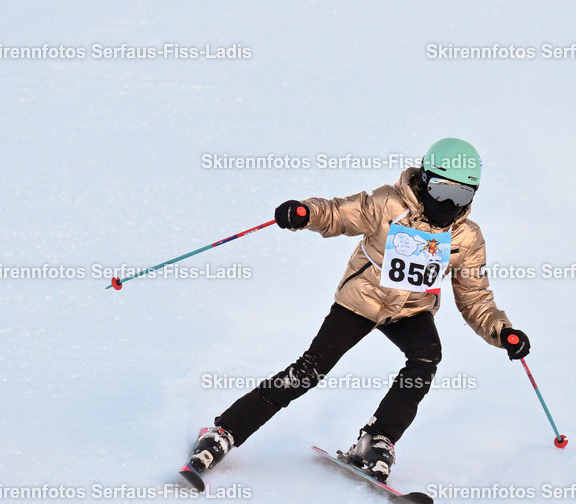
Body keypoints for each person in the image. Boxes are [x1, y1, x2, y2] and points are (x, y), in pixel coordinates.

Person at [183, 138, 530, 484]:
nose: (450, 204)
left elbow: (474, 296)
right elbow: (338, 213)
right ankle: (225, 431)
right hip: (361, 300)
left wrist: (502, 332)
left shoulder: (466, 237)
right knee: (310, 370)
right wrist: (305, 213)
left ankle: (377, 439)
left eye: (462, 196)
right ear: (424, 181)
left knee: (427, 356)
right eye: (442, 191)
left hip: (410, 309)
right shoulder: (388, 204)